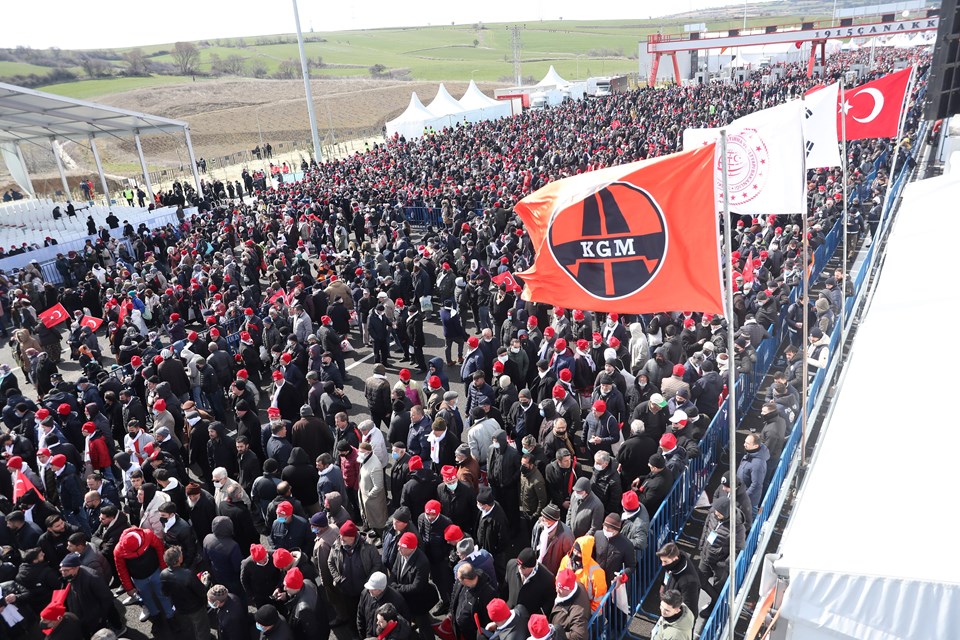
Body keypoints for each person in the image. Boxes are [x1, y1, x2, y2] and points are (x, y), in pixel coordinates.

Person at [159, 545, 211, 640]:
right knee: (202, 629)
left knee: (191, 626)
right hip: (196, 608)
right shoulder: (188, 574)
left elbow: (165, 592)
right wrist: (205, 582)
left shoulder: (163, 574)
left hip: (180, 607)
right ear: (179, 559)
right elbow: (202, 591)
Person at [505, 547, 556, 617]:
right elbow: (505, 589)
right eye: (518, 564)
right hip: (509, 614)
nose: (519, 568)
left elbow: (549, 603)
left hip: (528, 620)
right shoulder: (511, 565)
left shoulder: (547, 579)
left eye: (523, 567)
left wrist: (536, 617)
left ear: (532, 567)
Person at [656, 542, 701, 617]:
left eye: (665, 561)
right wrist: (663, 585)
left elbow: (690, 609)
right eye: (662, 561)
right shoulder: (674, 561)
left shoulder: (688, 582)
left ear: (675, 558)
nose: (663, 564)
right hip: (669, 602)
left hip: (675, 614)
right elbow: (667, 572)